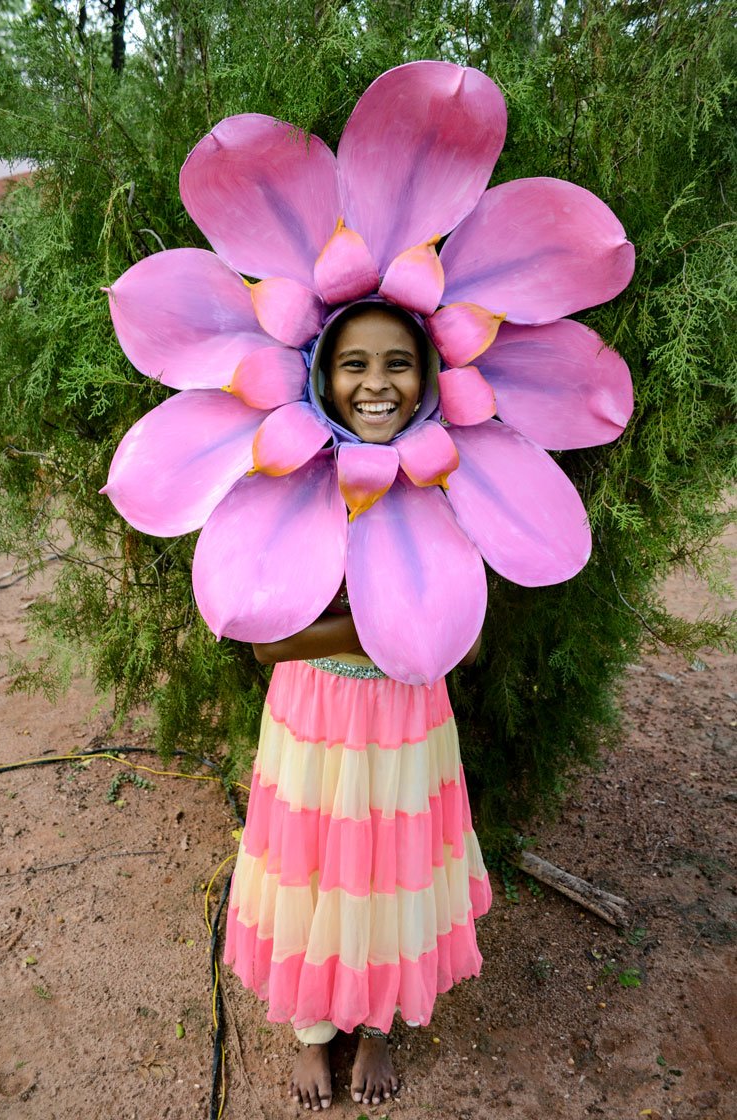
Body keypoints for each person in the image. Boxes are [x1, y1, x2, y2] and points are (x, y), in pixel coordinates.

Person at [223, 303, 491, 1111]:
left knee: (393, 867)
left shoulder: (447, 471)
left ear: (428, 375)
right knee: (313, 864)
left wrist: (352, 621)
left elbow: (468, 638)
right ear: (321, 375)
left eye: (399, 363)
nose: (377, 383)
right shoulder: (298, 472)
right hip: (316, 713)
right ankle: (311, 1027)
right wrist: (399, 619)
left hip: (410, 718)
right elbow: (270, 638)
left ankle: (377, 1024)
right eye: (354, 364)